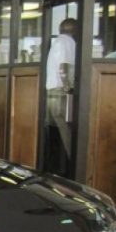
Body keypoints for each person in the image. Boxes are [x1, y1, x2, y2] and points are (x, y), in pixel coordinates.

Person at [45, 18, 77, 174]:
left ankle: (55, 166)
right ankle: (71, 166)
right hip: (60, 92)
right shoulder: (67, 43)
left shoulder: (58, 42)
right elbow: (64, 67)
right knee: (66, 131)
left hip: (51, 91)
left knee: (55, 130)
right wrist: (68, 87)